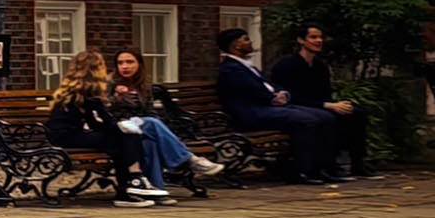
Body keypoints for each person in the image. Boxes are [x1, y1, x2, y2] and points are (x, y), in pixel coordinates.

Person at [46, 50, 190, 203]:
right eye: (102, 66)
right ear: (95, 70)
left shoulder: (80, 89)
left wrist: (117, 127)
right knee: (125, 137)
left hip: (69, 134)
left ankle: (130, 189)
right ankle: (134, 181)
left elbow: (96, 121)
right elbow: (103, 119)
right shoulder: (87, 91)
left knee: (124, 139)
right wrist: (120, 126)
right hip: (66, 137)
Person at [216, 25, 348, 184]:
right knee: (307, 120)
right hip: (252, 113)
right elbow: (250, 91)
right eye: (246, 39)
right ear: (236, 45)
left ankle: (324, 168)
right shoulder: (230, 68)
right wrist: (272, 98)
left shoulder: (246, 65)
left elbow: (268, 84)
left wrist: (282, 93)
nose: (250, 42)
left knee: (325, 117)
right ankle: (302, 171)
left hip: (268, 107)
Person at [106, 47, 226, 191]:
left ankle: (156, 189)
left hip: (139, 127)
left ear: (139, 64)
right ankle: (189, 160)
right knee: (151, 123)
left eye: (130, 62)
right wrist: (117, 98)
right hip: (118, 128)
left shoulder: (144, 86)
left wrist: (142, 120)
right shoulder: (109, 85)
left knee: (150, 142)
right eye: (120, 63)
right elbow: (105, 111)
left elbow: (150, 113)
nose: (125, 66)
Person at [277, 22, 371, 178]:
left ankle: (357, 163)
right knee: (327, 118)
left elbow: (325, 92)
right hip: (297, 107)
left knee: (356, 113)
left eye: (320, 37)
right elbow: (290, 96)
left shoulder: (320, 66)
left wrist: (336, 105)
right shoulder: (287, 65)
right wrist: (327, 105)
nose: (319, 41)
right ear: (301, 40)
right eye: (313, 37)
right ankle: (326, 165)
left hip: (321, 105)